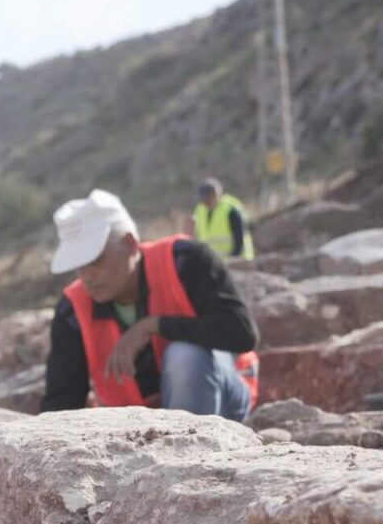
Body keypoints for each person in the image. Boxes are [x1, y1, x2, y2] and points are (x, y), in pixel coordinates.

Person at [40, 189, 260, 422]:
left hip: (222, 400)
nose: (86, 276)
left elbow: (241, 333)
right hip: (139, 428)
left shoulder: (185, 261)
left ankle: (188, 453)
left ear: (130, 243)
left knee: (185, 356)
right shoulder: (72, 309)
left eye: (95, 260)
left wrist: (153, 326)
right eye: (78, 265)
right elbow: (62, 399)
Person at [189, 177, 254, 261]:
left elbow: (239, 239)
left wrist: (234, 259)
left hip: (238, 261)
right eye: (203, 199)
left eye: (208, 198)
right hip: (214, 262)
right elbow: (199, 237)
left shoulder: (231, 210)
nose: (205, 202)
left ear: (216, 194)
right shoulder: (200, 210)